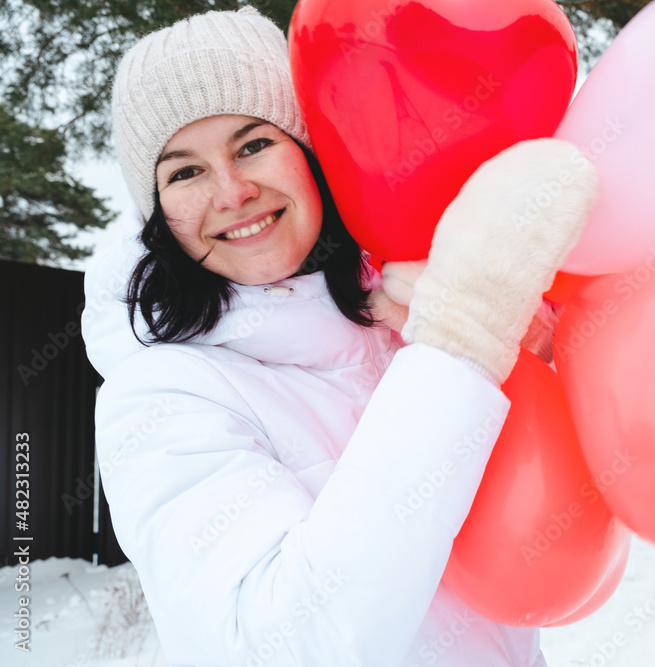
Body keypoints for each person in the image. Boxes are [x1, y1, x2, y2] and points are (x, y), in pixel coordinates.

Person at [80, 6, 598, 667]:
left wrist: (546, 359)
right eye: (184, 172)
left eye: (254, 144)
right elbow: (276, 646)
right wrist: (458, 347)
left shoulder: (400, 313)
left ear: (311, 152)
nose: (233, 192)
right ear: (158, 216)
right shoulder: (160, 396)